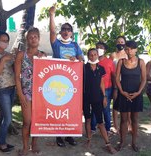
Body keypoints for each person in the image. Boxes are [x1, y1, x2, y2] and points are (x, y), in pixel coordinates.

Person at [49, 5, 84, 147]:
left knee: (70, 109)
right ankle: (59, 136)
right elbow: (52, 31)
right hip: (58, 82)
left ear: (71, 33)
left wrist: (76, 60)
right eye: (63, 29)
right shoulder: (56, 44)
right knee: (58, 108)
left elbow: (82, 60)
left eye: (68, 30)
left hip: (72, 83)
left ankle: (69, 135)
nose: (65, 31)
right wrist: (51, 15)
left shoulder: (75, 45)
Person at [15, 27, 46, 156]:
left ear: (38, 39)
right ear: (27, 40)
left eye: (35, 37)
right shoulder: (21, 55)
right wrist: (20, 94)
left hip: (40, 94)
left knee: (36, 121)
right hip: (26, 93)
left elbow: (48, 75)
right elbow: (17, 77)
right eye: (30, 37)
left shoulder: (43, 55)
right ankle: (25, 147)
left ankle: (34, 144)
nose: (33, 39)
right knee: (27, 121)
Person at [83, 48, 117, 154]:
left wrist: (104, 96)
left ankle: (108, 144)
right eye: (91, 55)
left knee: (100, 122)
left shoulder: (101, 68)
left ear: (98, 55)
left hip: (97, 98)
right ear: (88, 56)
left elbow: (102, 83)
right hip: (85, 98)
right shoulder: (83, 68)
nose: (93, 57)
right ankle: (88, 139)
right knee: (88, 120)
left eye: (95, 54)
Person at [115, 41, 146, 152]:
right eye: (127, 49)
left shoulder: (141, 62)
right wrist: (122, 92)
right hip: (124, 94)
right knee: (123, 120)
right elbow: (117, 78)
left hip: (136, 94)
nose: (129, 51)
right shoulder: (121, 62)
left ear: (136, 49)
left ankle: (134, 142)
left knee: (134, 119)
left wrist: (138, 92)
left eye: (132, 49)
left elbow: (144, 79)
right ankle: (122, 142)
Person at [0, 30, 15, 152]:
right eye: (3, 40)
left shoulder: (9, 54)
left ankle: (2, 141)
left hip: (12, 88)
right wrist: (3, 60)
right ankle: (1, 143)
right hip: (2, 89)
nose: (5, 43)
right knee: (8, 118)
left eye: (7, 41)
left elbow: (15, 69)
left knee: (6, 117)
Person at [91, 42, 116, 136]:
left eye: (101, 48)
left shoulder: (109, 62)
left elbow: (113, 76)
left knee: (106, 109)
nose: (98, 49)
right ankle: (93, 128)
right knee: (94, 109)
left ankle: (107, 129)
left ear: (105, 50)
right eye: (97, 47)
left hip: (107, 89)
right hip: (95, 90)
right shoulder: (92, 61)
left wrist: (115, 89)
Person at [110, 36, 128, 134]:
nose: (120, 43)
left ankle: (128, 125)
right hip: (115, 82)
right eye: (118, 42)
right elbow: (110, 68)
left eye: (122, 42)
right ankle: (116, 126)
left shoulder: (127, 55)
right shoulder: (113, 55)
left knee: (127, 104)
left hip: (126, 82)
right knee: (115, 104)